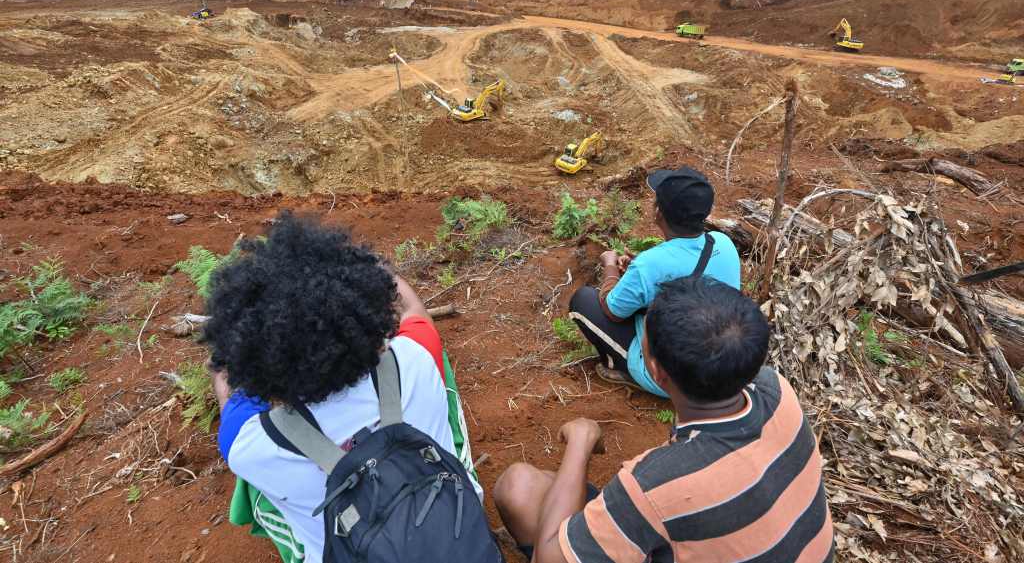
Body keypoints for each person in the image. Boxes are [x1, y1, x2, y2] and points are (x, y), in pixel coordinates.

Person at [494, 276, 834, 563]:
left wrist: (581, 442)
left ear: (655, 371)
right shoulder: (778, 391)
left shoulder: (653, 486)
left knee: (518, 488)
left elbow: (547, 558)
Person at [202, 213, 479, 563]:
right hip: (456, 537)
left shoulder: (249, 445)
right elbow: (413, 311)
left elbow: (229, 395)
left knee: (252, 488)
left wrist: (229, 348)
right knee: (435, 358)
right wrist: (378, 270)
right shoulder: (417, 359)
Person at [569, 166, 740, 397]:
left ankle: (624, 367)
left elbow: (612, 310)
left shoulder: (650, 265)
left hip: (672, 380)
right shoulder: (723, 243)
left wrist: (610, 265)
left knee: (584, 300)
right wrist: (639, 269)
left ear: (658, 212)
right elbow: (681, 270)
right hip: (719, 366)